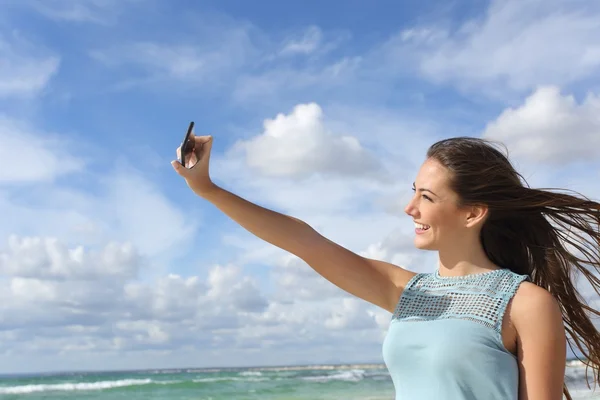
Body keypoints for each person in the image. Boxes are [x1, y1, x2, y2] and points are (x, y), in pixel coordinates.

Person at [171, 134, 600, 400]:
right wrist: (207, 189)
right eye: (413, 191)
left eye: (427, 198)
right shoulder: (407, 291)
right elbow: (303, 240)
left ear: (472, 213)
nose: (409, 207)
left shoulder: (527, 303)